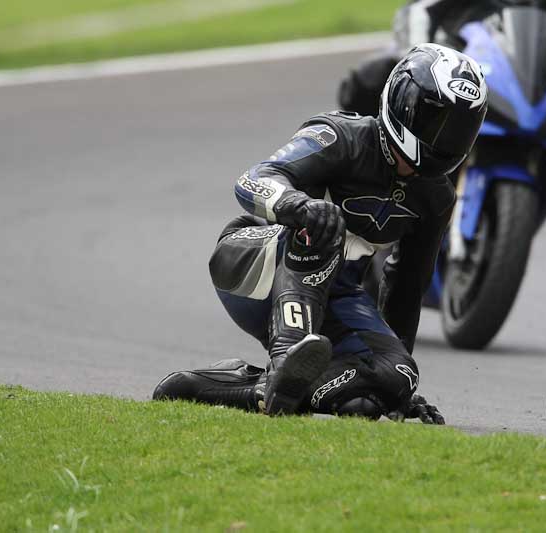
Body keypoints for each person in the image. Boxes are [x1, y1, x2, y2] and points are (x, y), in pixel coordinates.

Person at [153, 43, 488, 423]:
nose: (444, 141)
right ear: (402, 101)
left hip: (335, 296)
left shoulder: (437, 197)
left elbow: (407, 287)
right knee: (324, 225)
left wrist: (395, 391)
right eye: (435, 121)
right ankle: (286, 356)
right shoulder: (340, 136)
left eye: (458, 130)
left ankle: (244, 388)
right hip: (254, 263)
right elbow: (253, 179)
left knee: (392, 381)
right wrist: (300, 207)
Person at [338, 0, 546, 208]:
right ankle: (353, 165)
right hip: (447, 69)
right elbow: (419, 11)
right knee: (371, 77)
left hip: (529, 92)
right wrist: (419, 63)